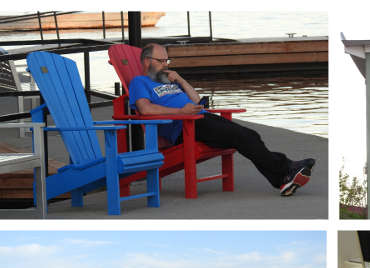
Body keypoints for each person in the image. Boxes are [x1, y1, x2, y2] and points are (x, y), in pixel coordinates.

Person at [128, 43, 315, 196]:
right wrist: (180, 110)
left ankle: (283, 176)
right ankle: (285, 172)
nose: (166, 65)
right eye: (161, 61)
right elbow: (145, 109)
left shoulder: (168, 81)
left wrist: (181, 80)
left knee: (250, 135)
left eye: (166, 60)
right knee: (242, 137)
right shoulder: (139, 82)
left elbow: (196, 100)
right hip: (184, 127)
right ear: (146, 62)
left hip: (200, 118)